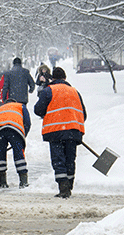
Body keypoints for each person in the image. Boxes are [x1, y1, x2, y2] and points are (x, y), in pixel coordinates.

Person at [34, 67, 87, 198]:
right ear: (65, 78)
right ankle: (69, 185)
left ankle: (63, 188)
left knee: (58, 159)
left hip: (55, 131)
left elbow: (38, 110)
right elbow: (83, 114)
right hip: (73, 131)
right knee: (70, 159)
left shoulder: (48, 91)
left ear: (53, 78)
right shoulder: (75, 92)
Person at [0, 98, 31, 188]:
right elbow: (27, 123)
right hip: (15, 130)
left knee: (0, 156)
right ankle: (23, 181)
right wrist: (22, 136)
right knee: (18, 154)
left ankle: (2, 182)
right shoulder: (20, 106)